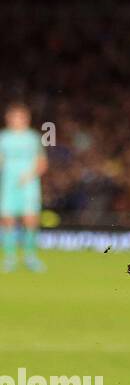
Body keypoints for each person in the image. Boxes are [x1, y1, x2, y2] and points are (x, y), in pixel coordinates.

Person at [0, 103, 46, 274]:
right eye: (14, 116)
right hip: (7, 183)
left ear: (27, 119)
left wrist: (30, 175)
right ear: (8, 118)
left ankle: (30, 256)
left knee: (30, 219)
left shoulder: (33, 138)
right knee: (7, 220)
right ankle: (10, 257)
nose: (17, 120)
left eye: (21, 116)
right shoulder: (3, 137)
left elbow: (42, 162)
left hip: (29, 184)